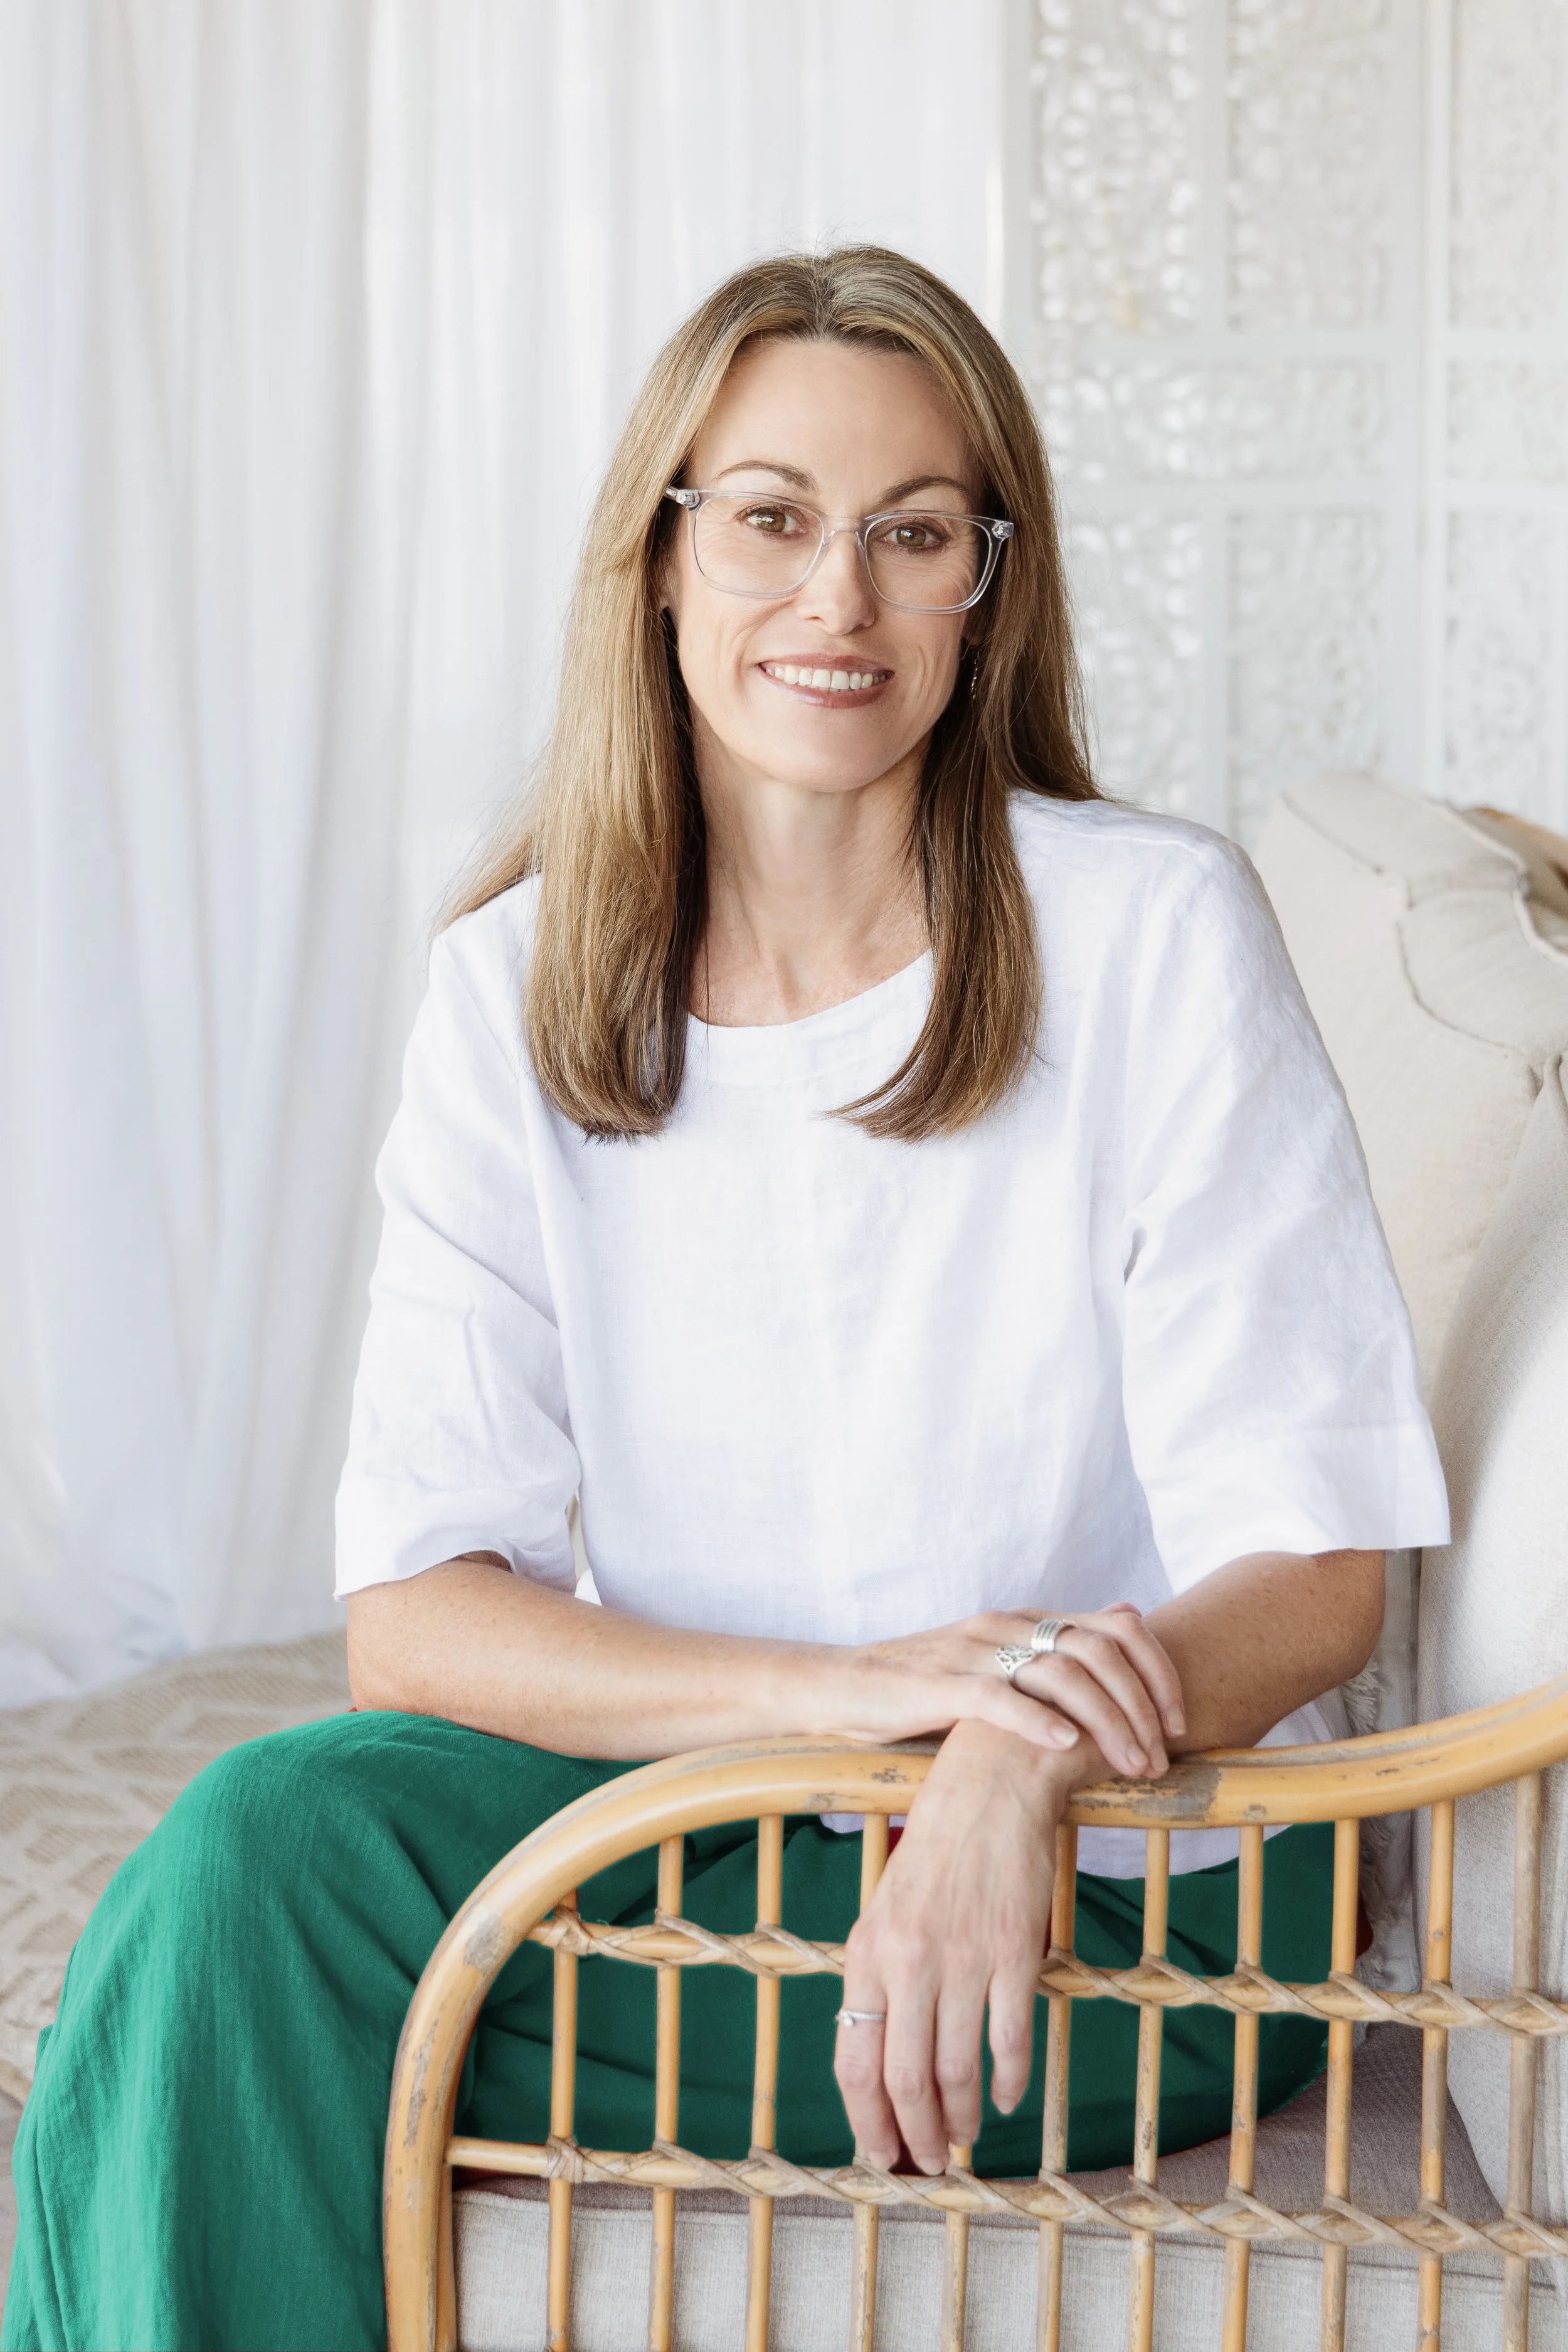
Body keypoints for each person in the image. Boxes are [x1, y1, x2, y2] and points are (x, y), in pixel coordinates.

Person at [3, 245, 1448, 2352]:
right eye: (768, 515)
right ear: (658, 561)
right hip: (735, 1825)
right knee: (240, 1873)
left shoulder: (1151, 930)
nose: (834, 600)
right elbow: (418, 1608)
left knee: (200, 2014)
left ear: (989, 583)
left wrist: (1008, 1763)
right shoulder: (504, 987)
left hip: (1159, 1893)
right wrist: (861, 1700)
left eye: (912, 531)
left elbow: (1318, 1569)